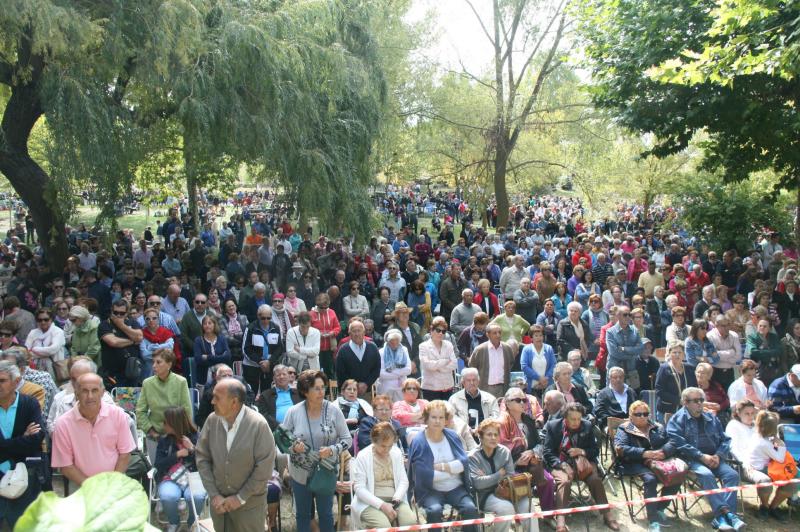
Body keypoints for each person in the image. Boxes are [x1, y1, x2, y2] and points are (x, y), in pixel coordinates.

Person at [196, 378, 276, 532]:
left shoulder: (258, 424)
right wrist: (214, 495)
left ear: (234, 402)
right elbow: (202, 458)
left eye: (217, 398)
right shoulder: (212, 421)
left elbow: (264, 468)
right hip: (219, 507)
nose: (212, 401)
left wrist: (240, 498)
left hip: (249, 508)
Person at [666, 387, 746, 531]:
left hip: (715, 458)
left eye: (701, 400)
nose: (699, 404)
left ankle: (725, 517)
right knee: (706, 474)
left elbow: (726, 440)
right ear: (685, 402)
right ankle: (726, 515)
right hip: (691, 460)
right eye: (695, 401)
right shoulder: (676, 420)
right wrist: (701, 456)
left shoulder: (711, 417)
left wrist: (718, 455)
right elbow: (679, 444)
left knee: (732, 475)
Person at [281, 369, 351, 532]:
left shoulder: (334, 410)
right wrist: (293, 448)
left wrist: (332, 449)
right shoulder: (293, 412)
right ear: (305, 391)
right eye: (317, 388)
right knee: (303, 515)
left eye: (323, 387)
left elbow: (347, 440)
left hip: (326, 471)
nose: (322, 392)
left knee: (326, 514)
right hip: (300, 473)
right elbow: (282, 439)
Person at [543, 402, 619, 532]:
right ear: (565, 417)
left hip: (582, 463)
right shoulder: (553, 426)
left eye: (579, 419)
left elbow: (595, 450)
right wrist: (562, 465)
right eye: (573, 419)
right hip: (559, 463)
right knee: (565, 481)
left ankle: (607, 515)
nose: (576, 422)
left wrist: (582, 451)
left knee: (595, 480)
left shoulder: (587, 426)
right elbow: (547, 452)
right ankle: (561, 520)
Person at [408, 400, 479, 532]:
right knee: (434, 511)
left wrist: (441, 467)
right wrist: (452, 470)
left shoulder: (452, 436)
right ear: (426, 419)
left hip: (456, 488)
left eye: (441, 417)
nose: (437, 421)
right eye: (433, 417)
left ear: (446, 420)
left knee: (470, 509)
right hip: (430, 491)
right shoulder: (419, 442)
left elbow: (463, 464)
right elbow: (425, 476)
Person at [613, 400, 681, 532]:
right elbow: (621, 449)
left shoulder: (657, 426)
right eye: (638, 414)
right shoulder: (624, 428)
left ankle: (660, 507)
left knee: (677, 473)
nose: (643, 416)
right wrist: (644, 453)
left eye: (645, 413)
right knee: (650, 480)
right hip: (634, 463)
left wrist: (663, 452)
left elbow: (672, 441)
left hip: (659, 461)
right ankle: (653, 520)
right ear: (631, 415)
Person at [469, 418, 539, 532]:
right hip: (485, 495)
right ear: (480, 437)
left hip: (507, 491)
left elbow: (510, 476)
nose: (493, 438)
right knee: (506, 508)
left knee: (528, 505)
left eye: (496, 435)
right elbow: (478, 484)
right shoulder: (473, 457)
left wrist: (487, 477)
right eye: (489, 434)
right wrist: (498, 474)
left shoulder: (504, 452)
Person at [0, 360, 45, 528]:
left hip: (25, 478)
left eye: (2, 380)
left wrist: (5, 445)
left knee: (23, 525)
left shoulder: (29, 404)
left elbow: (36, 439)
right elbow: (27, 443)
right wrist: (22, 439)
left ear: (17, 382)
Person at [498, 387, 555, 518]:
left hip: (532, 464)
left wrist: (532, 451)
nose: (523, 403)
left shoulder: (528, 420)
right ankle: (521, 519)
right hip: (511, 467)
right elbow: (499, 452)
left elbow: (540, 443)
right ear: (507, 403)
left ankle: (549, 516)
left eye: (524, 399)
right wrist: (516, 461)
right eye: (518, 400)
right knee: (521, 483)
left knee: (549, 480)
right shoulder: (501, 423)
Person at [351, 421, 417, 527]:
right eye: (383, 446)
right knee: (384, 527)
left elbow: (403, 481)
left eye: (390, 446)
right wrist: (382, 505)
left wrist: (396, 499)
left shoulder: (396, 453)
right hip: (369, 503)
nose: (387, 450)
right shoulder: (363, 456)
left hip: (396, 500)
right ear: (374, 441)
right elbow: (359, 489)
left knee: (410, 524)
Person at [153, 406, 207, 532]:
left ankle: (193, 523)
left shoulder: (197, 437)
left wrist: (192, 449)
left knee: (198, 496)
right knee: (168, 496)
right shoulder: (164, 441)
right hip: (169, 478)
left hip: (193, 478)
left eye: (165, 422)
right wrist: (177, 455)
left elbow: (205, 462)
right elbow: (158, 465)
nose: (163, 425)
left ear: (174, 423)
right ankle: (174, 522)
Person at [136, 349, 192, 442]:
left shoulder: (181, 381)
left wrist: (180, 434)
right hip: (154, 434)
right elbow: (140, 411)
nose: (154, 366)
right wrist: (151, 431)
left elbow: (186, 411)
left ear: (169, 364)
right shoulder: (147, 383)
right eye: (153, 362)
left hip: (177, 434)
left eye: (158, 362)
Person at [47, 356, 114, 433]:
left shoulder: (106, 400)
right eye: (73, 379)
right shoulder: (61, 399)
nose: (76, 383)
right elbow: (53, 427)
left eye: (81, 378)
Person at [98, 299, 143, 388]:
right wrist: (133, 341)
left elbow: (139, 337)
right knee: (115, 400)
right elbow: (113, 342)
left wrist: (122, 326)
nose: (118, 315)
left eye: (122, 313)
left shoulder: (133, 322)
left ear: (127, 313)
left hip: (132, 370)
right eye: (115, 312)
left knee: (131, 401)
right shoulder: (105, 324)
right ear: (111, 311)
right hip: (113, 372)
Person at [242, 304, 282, 394]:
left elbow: (279, 348)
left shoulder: (276, 328)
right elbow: (246, 349)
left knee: (267, 393)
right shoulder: (250, 328)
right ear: (258, 316)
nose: (266, 320)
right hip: (252, 366)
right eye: (263, 318)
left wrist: (269, 362)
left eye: (268, 318)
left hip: (269, 366)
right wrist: (260, 362)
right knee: (251, 392)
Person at [335, 320, 381, 400]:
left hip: (366, 392)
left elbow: (377, 369)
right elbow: (340, 372)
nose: (357, 334)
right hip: (349, 393)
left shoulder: (372, 347)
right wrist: (355, 386)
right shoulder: (343, 350)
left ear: (364, 332)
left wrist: (366, 384)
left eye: (359, 331)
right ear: (349, 333)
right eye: (354, 331)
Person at [419, 317, 458, 401]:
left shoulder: (449, 344)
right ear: (431, 330)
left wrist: (437, 365)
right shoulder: (423, 346)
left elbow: (454, 364)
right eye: (438, 330)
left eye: (443, 331)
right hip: (430, 388)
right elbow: (428, 366)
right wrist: (446, 361)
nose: (441, 333)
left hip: (448, 386)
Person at [655, 342, 697, 418]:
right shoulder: (664, 369)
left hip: (686, 411)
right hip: (667, 411)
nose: (677, 355)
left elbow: (694, 387)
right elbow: (659, 391)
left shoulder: (690, 368)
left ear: (684, 354)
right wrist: (678, 400)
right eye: (674, 352)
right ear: (670, 354)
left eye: (680, 352)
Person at [605, 306, 643, 388]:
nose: (628, 317)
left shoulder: (634, 330)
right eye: (625, 315)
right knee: (613, 396)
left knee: (632, 396)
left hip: (631, 370)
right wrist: (632, 354)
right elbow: (613, 352)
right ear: (618, 316)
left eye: (630, 315)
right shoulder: (610, 332)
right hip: (615, 370)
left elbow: (640, 348)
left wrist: (624, 349)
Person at [256, 364, 301, 431]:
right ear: (274, 379)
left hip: (297, 429)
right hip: (277, 432)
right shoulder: (266, 395)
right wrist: (279, 426)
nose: (281, 377)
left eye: (284, 374)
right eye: (278, 375)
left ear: (289, 377)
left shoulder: (298, 393)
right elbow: (263, 415)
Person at [24, 308, 66, 380]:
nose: (43, 322)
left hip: (54, 368)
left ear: (51, 319)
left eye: (46, 319)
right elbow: (26, 352)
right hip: (35, 369)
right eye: (40, 320)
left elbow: (52, 350)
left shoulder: (58, 332)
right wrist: (45, 351)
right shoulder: (33, 332)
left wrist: (34, 349)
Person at [140, 307, 179, 379]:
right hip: (149, 372)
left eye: (154, 318)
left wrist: (152, 347)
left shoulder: (166, 332)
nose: (151, 321)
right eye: (148, 319)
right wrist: (163, 350)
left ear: (158, 319)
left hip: (165, 370)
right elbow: (144, 355)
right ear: (144, 320)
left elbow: (170, 348)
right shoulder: (141, 334)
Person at [193, 315, 232, 386]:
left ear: (214, 325)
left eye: (210, 323)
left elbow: (228, 357)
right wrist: (220, 358)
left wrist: (208, 357)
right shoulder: (198, 340)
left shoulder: (222, 339)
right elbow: (198, 359)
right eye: (205, 323)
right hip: (204, 376)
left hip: (222, 375)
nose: (207, 325)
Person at [521, 324, 557, 396]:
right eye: (536, 336)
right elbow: (524, 366)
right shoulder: (526, 349)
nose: (539, 338)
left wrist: (546, 378)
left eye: (540, 335)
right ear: (531, 337)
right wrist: (539, 378)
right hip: (531, 387)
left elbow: (553, 365)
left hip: (547, 386)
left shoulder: (549, 348)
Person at [377, 330, 412, 402]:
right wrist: (400, 373)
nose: (395, 344)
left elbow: (408, 370)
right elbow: (381, 373)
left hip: (401, 387)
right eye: (392, 342)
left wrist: (392, 371)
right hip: (386, 388)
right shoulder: (381, 352)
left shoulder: (404, 350)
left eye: (397, 341)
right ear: (387, 341)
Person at [747, 318, 783, 387]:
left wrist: (761, 352)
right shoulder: (752, 337)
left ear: (769, 328)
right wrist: (771, 352)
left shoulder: (774, 337)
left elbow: (778, 351)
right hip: (758, 368)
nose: (762, 328)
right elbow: (753, 351)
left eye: (765, 326)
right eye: (760, 325)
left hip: (773, 369)